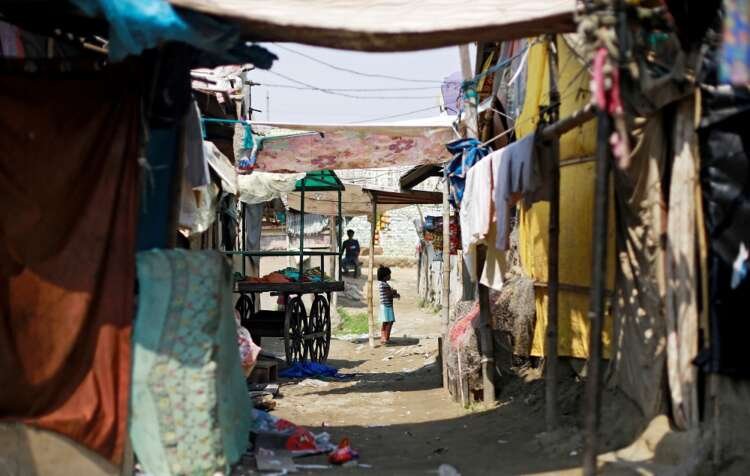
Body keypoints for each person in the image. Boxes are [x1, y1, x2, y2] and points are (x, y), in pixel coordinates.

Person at [377, 265, 400, 345]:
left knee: (385, 322)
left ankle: (383, 338)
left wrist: (393, 293)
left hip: (384, 306)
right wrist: (394, 292)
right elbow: (388, 295)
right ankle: (386, 338)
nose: (390, 276)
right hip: (387, 306)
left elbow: (388, 294)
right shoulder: (384, 285)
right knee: (389, 322)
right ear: (384, 276)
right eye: (389, 275)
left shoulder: (382, 284)